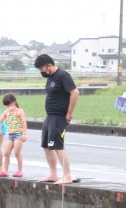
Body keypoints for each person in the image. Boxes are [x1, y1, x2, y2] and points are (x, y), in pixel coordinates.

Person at [34, 54, 79, 184]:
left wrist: (69, 113)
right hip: (50, 117)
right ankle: (53, 174)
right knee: (47, 146)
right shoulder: (51, 77)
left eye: (41, 69)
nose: (41, 72)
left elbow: (75, 92)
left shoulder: (62, 75)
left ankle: (67, 175)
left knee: (57, 145)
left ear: (48, 65)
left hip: (59, 117)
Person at [0, 93, 27, 177]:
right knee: (6, 153)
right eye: (7, 105)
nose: (9, 107)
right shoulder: (6, 112)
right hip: (10, 135)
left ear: (14, 102)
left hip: (18, 135)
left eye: (10, 104)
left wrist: (24, 134)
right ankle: (5, 171)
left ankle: (19, 171)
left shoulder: (20, 111)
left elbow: (24, 122)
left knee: (17, 153)